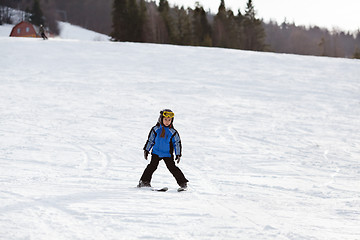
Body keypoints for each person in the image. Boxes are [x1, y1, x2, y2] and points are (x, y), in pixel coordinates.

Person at [138, 109, 188, 190]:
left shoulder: (173, 132)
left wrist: (178, 154)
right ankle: (144, 182)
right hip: (156, 153)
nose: (167, 122)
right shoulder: (155, 129)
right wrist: (146, 150)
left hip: (167, 154)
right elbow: (150, 140)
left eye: (169, 120)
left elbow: (177, 143)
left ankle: (183, 183)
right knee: (152, 167)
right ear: (161, 119)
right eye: (165, 119)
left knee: (173, 168)